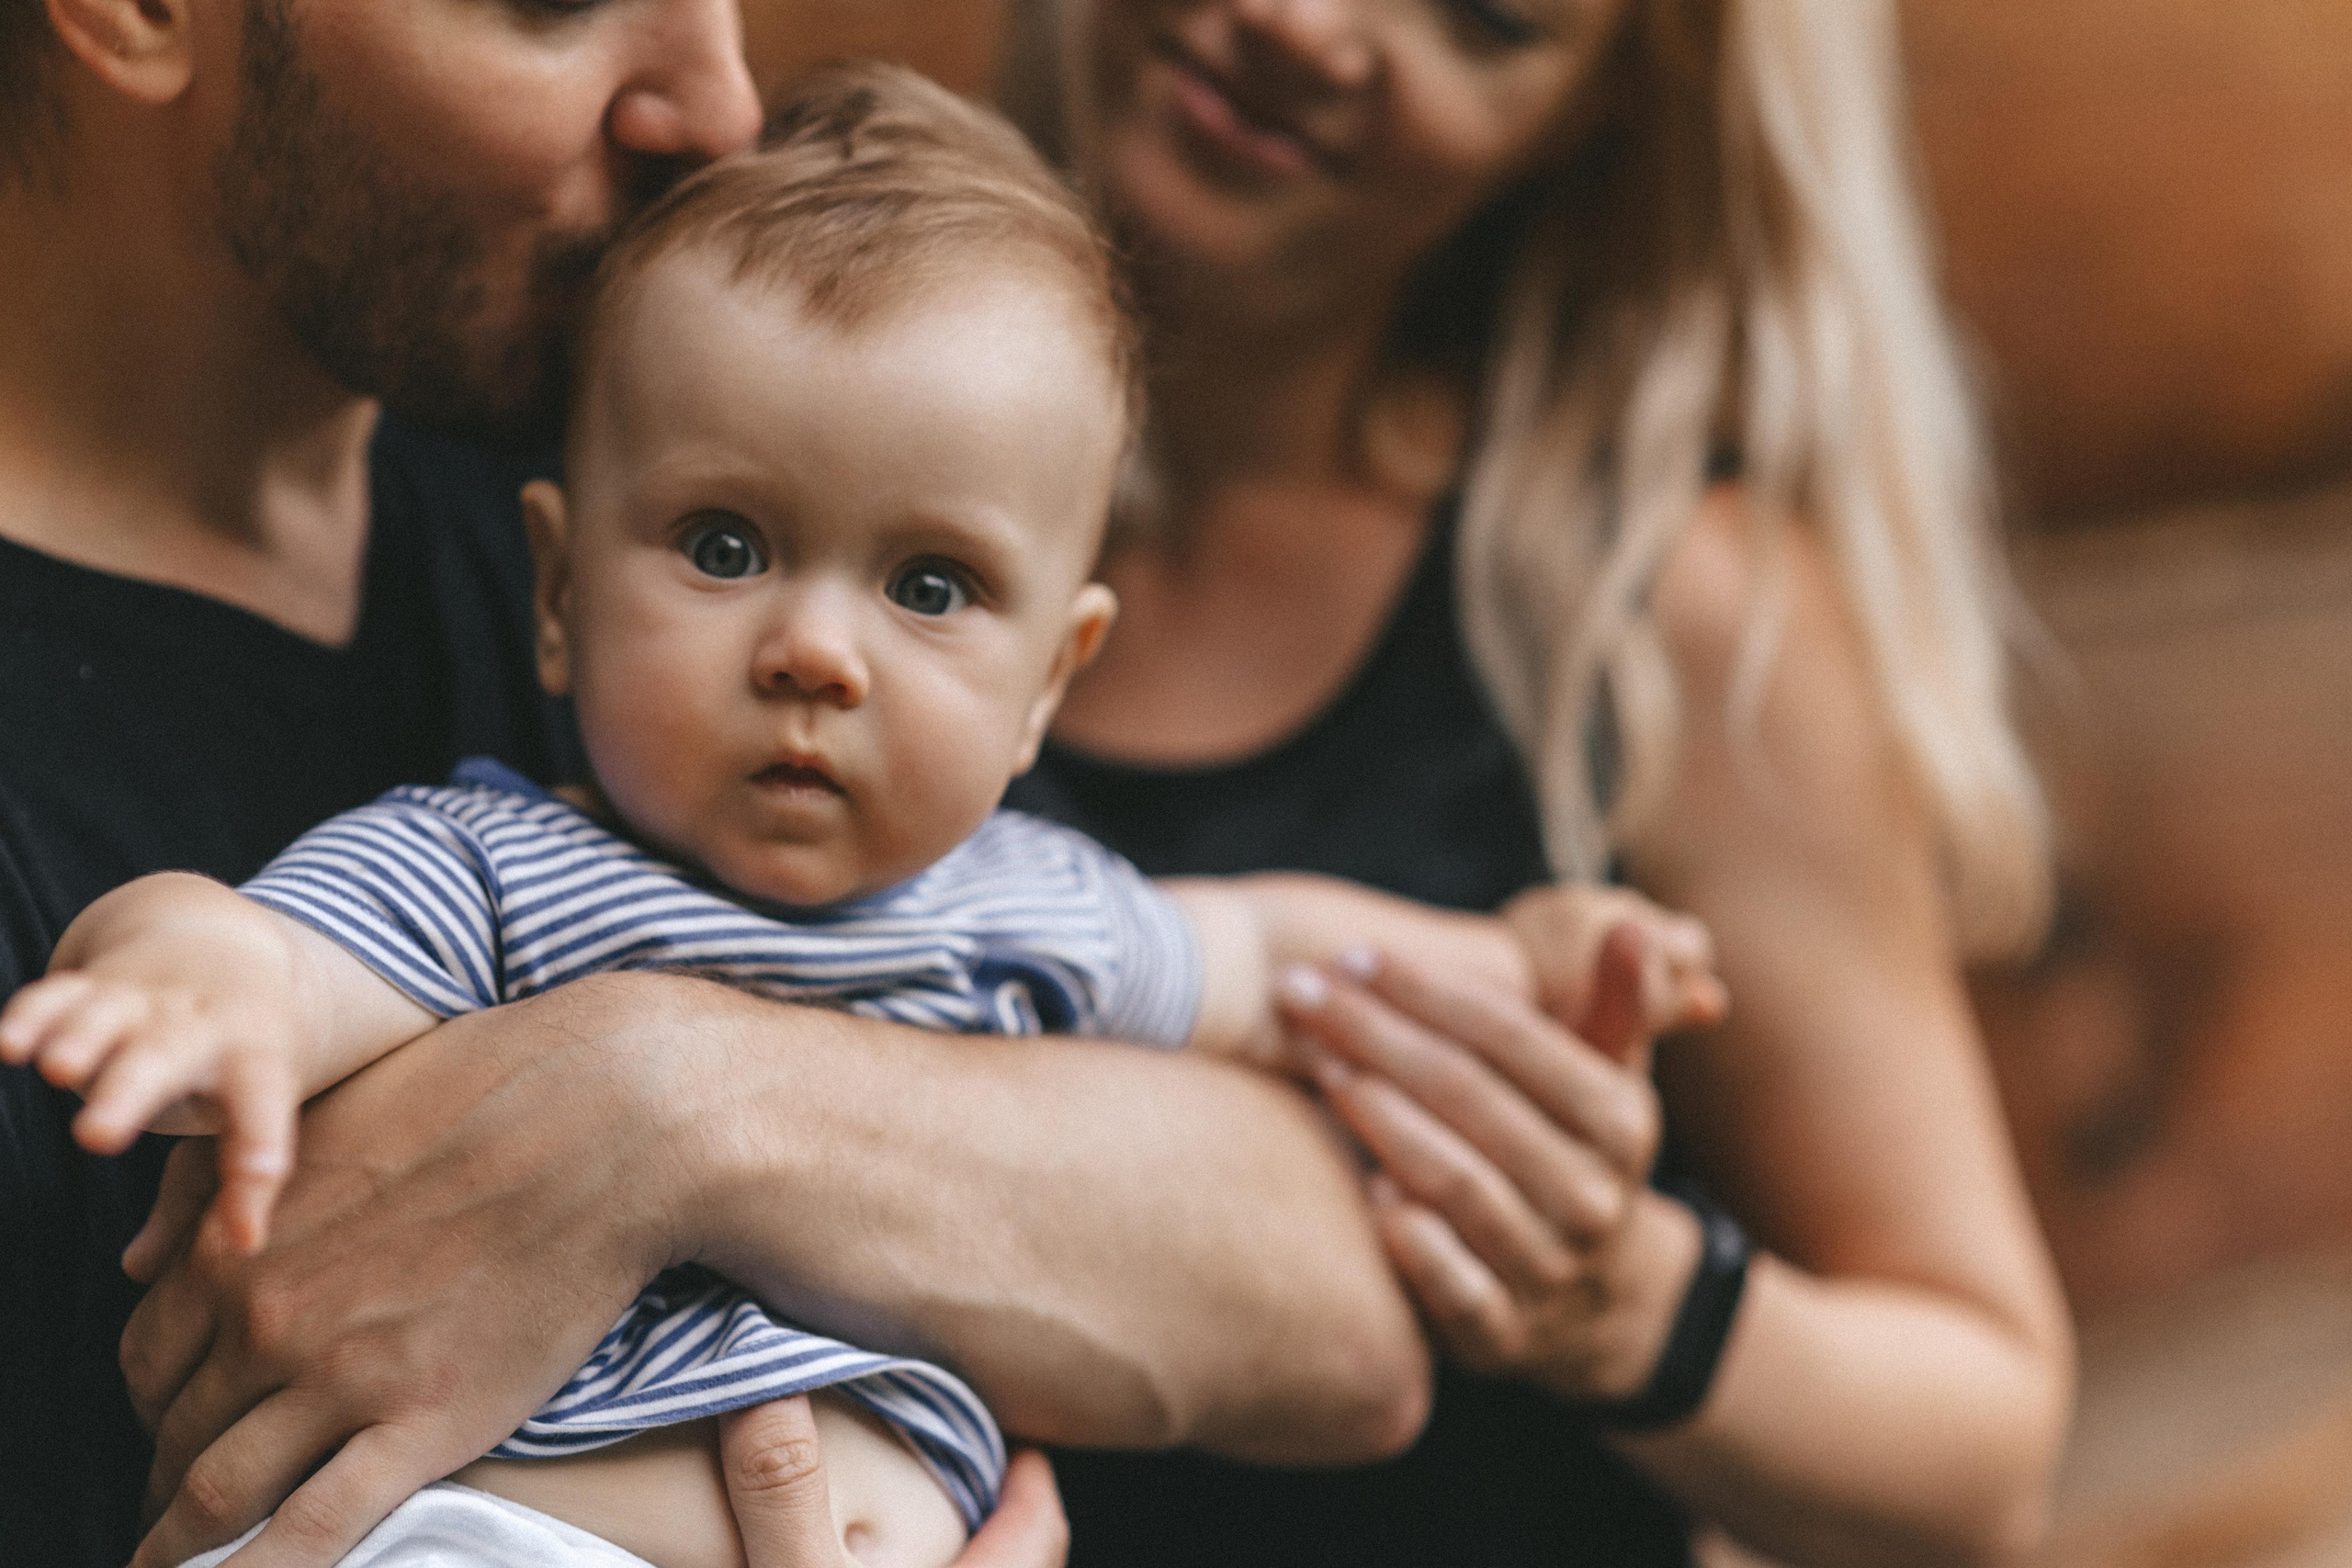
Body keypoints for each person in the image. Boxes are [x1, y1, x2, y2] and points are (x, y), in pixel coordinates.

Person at [4, 64, 1724, 1566]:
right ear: (560, 593)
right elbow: (279, 954)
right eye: (726, 547)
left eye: (928, 585)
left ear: (1053, 680)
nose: (816, 652)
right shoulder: (504, 864)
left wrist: (1525, 959)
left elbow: (1285, 963)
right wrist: (178, 981)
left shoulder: (1037, 907)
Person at [985, 0, 2078, 1562]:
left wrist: (1614, 1294)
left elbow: (1982, 1455)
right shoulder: (734, 403)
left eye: (1488, 15)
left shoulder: (1655, 618)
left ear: (1605, 111)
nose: (1303, 24)